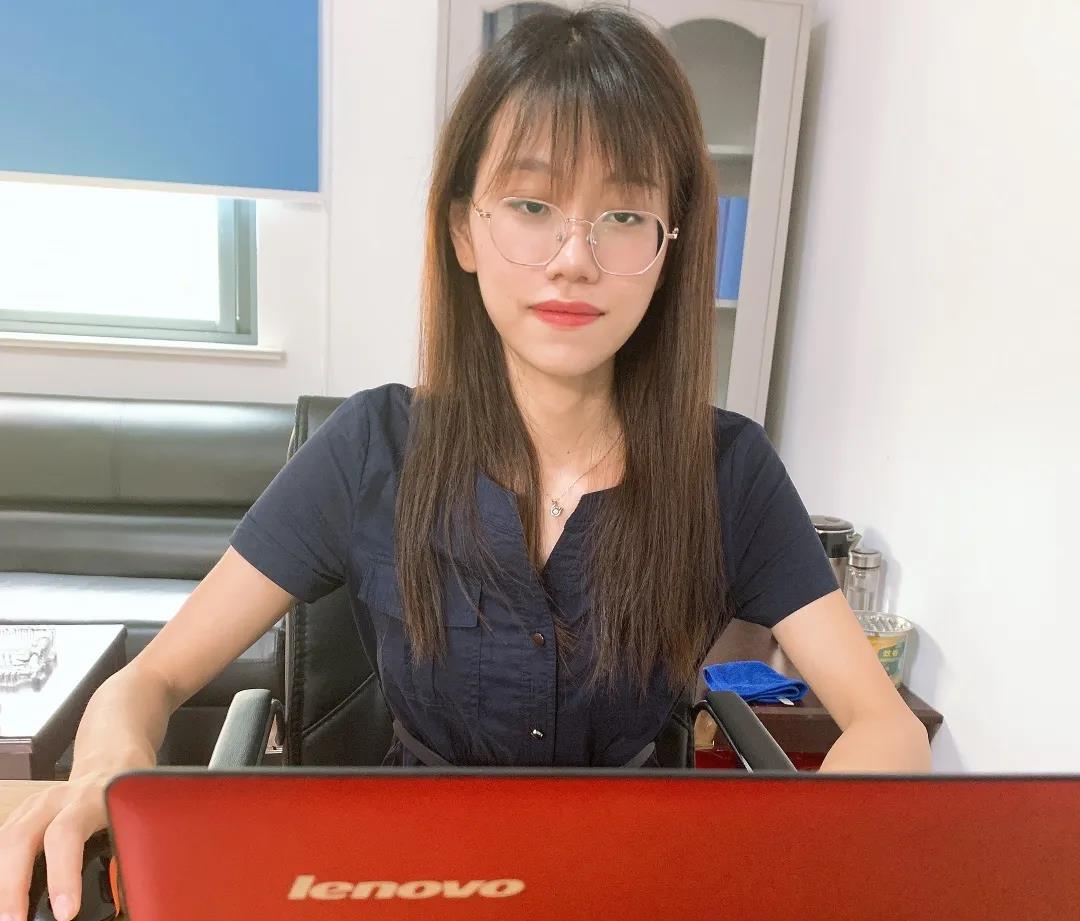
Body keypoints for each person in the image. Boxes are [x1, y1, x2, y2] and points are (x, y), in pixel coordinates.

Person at [0, 5, 931, 919]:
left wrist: (795, 857)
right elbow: (150, 679)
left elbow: (885, 724)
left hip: (636, 883)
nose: (573, 258)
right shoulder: (371, 448)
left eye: (622, 214)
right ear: (462, 231)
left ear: (668, 245)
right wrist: (101, 774)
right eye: (531, 206)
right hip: (412, 884)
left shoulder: (728, 469)